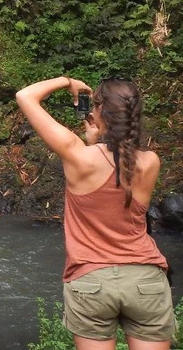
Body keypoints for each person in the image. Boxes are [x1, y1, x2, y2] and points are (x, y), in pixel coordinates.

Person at [16, 75, 175, 350]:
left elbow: (25, 96)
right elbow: (117, 175)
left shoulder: (78, 155)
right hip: (145, 279)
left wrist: (67, 81)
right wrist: (97, 140)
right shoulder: (150, 162)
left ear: (99, 110)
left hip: (91, 281)